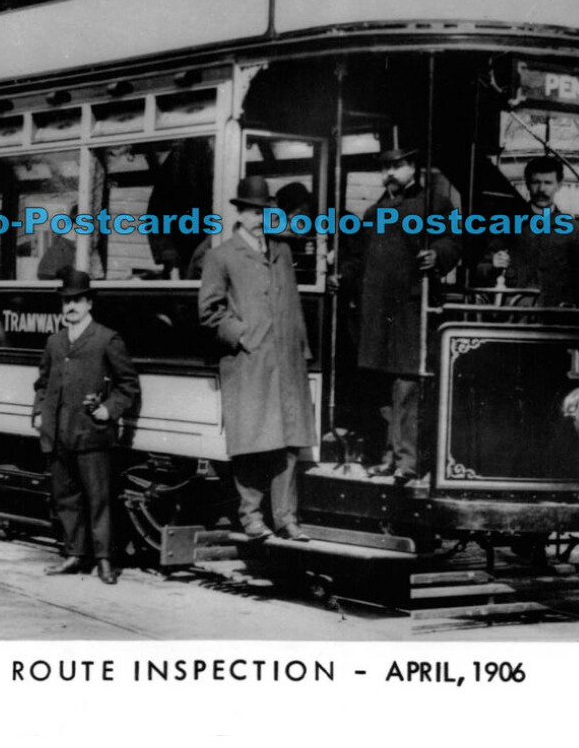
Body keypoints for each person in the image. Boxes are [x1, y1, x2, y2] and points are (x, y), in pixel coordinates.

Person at [197, 178, 315, 541]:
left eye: (265, 211)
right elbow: (209, 311)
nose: (260, 218)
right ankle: (250, 517)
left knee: (289, 441)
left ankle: (286, 518)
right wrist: (243, 335)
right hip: (248, 363)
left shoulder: (282, 251)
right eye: (252, 211)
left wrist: (302, 349)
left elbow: (293, 305)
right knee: (251, 441)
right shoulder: (222, 256)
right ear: (239, 213)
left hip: (286, 360)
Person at [344, 147, 461, 482]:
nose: (390, 174)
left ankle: (408, 461)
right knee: (383, 386)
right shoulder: (373, 212)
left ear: (413, 168)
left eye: (397, 167)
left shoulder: (435, 204)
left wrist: (436, 255)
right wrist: (343, 276)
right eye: (385, 169)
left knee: (407, 386)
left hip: (412, 309)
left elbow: (455, 241)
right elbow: (358, 258)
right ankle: (388, 455)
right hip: (378, 312)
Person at [33, 271, 140, 584]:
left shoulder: (107, 339)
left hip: (92, 435)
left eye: (77, 300)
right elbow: (42, 383)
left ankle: (105, 560)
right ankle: (75, 555)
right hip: (58, 434)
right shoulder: (54, 342)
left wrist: (109, 409)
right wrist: (39, 412)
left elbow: (128, 385)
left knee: (99, 500)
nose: (71, 306)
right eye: (66, 300)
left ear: (89, 302)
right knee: (66, 499)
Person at [476, 156, 579, 306]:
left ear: (559, 185)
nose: (541, 189)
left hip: (558, 320)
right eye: (536, 182)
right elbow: (480, 271)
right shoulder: (507, 224)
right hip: (519, 320)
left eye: (548, 183)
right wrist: (493, 264)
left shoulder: (572, 229)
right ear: (527, 184)